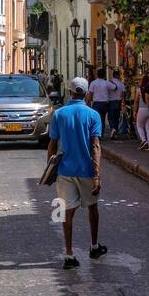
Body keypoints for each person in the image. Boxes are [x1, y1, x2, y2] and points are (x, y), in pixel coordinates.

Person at [46, 76, 106, 270]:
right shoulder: (93, 115)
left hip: (65, 171)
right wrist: (97, 175)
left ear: (70, 92)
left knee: (66, 213)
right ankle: (94, 246)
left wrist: (50, 169)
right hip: (87, 171)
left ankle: (69, 254)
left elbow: (52, 145)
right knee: (92, 208)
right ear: (86, 93)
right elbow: (95, 146)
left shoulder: (59, 114)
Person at [86, 66, 112, 136]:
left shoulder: (93, 83)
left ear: (97, 74)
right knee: (102, 119)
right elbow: (114, 87)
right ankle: (101, 133)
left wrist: (88, 102)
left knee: (96, 119)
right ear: (104, 75)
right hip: (105, 103)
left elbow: (90, 93)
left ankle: (97, 133)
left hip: (96, 103)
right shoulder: (106, 83)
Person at [133, 74, 149, 150]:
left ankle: (144, 140)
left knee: (139, 125)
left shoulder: (139, 90)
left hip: (141, 109)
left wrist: (135, 111)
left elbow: (136, 102)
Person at [106, 68, 125, 140]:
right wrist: (123, 103)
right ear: (118, 76)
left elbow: (106, 91)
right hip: (118, 102)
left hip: (111, 101)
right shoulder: (121, 84)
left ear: (113, 75)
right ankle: (115, 130)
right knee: (117, 117)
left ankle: (112, 128)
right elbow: (123, 94)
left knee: (111, 116)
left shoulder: (109, 83)